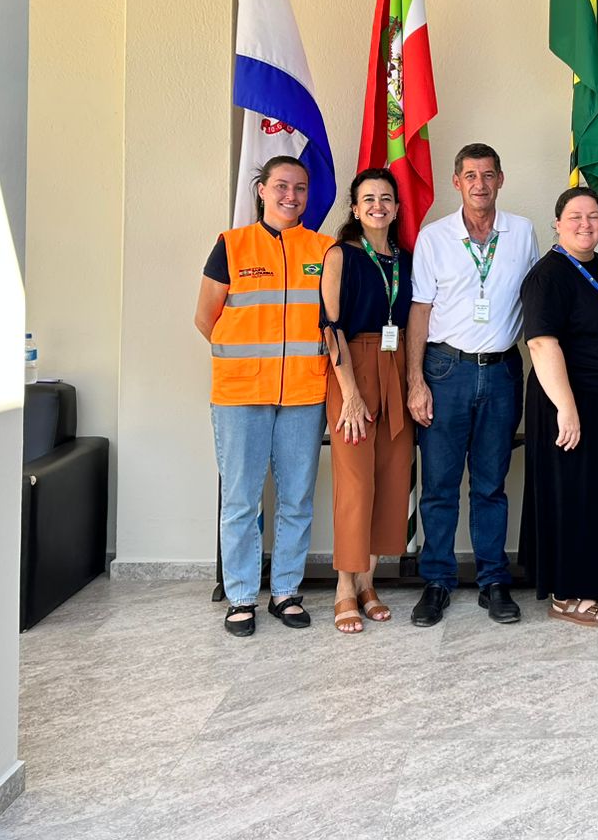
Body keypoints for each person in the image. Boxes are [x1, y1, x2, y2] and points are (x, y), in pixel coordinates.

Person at [193, 155, 329, 638]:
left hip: (304, 392)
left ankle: (286, 591)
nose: (291, 196)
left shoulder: (324, 249)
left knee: (297, 498)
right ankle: (242, 597)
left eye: (300, 188)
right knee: (240, 500)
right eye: (281, 186)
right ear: (262, 190)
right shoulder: (231, 245)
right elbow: (206, 318)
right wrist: (249, 361)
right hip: (240, 394)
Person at [405, 143, 540, 628]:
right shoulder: (434, 237)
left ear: (500, 179)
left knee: (490, 484)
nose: (479, 184)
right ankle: (437, 581)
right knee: (439, 485)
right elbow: (419, 311)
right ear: (456, 182)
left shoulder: (522, 232)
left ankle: (493, 581)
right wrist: (416, 381)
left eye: (487, 175)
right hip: (446, 372)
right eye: (470, 176)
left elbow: (535, 300)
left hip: (502, 372)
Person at [518, 186, 598, 625]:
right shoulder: (547, 276)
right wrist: (567, 409)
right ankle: (567, 593)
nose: (585, 224)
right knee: (572, 496)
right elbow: (541, 343)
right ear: (557, 224)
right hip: (569, 403)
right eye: (575, 216)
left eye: (593, 216)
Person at [320, 169, 414, 634]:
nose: (378, 205)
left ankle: (368, 582)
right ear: (355, 209)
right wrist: (351, 395)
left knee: (392, 476)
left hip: (396, 364)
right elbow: (331, 326)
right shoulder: (340, 254)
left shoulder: (406, 259)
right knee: (356, 483)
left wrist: (414, 380)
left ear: (396, 208)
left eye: (386, 198)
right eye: (369, 198)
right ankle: (344, 586)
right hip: (352, 369)